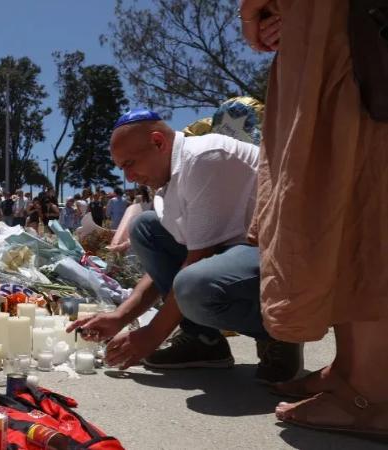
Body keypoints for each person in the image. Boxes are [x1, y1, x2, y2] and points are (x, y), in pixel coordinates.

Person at [241, 0, 388, 437]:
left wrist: (254, 15)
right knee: (336, 205)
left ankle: (371, 395)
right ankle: (349, 370)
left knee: (361, 193)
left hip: (344, 29)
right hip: (329, 26)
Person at [68, 109, 301, 384]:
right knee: (145, 228)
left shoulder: (203, 158)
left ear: (158, 142)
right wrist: (120, 316)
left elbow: (196, 260)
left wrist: (151, 335)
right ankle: (202, 340)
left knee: (194, 285)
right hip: (238, 253)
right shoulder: (171, 178)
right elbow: (167, 267)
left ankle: (279, 332)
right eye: (122, 168)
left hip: (282, 258)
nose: (129, 177)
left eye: (130, 163)